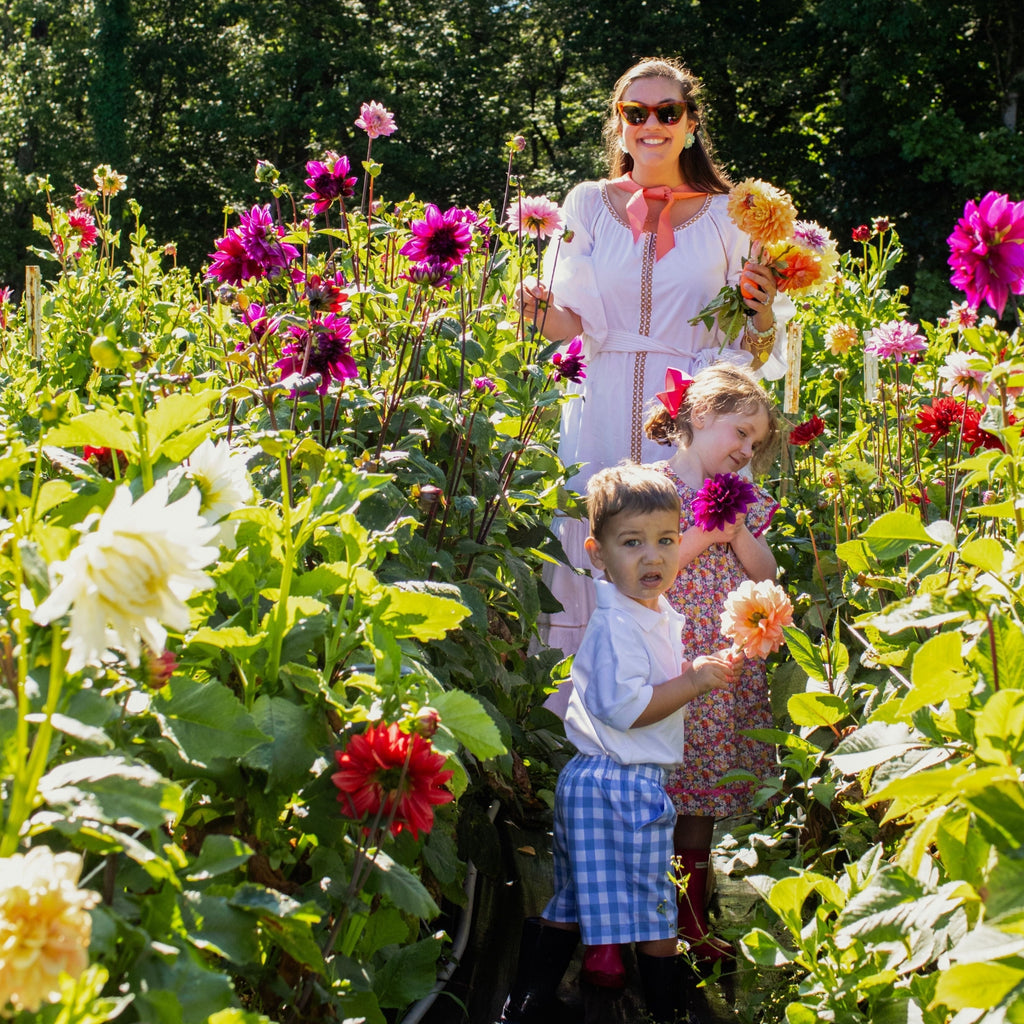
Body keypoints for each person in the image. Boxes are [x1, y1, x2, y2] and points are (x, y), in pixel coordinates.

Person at [517, 56, 792, 670]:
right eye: (634, 112)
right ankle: (582, 725)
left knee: (686, 555)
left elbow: (752, 345)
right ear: (618, 124)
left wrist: (764, 312)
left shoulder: (732, 215)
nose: (652, 124)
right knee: (593, 548)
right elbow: (569, 323)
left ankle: (687, 726)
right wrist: (533, 311)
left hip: (695, 417)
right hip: (602, 404)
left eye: (667, 112)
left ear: (690, 123)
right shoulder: (586, 203)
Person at [498, 464, 742, 1024]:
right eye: (632, 543)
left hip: (604, 782)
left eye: (665, 541)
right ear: (598, 553)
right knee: (656, 906)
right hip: (619, 783)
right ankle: (667, 1008)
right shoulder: (616, 625)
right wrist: (692, 681)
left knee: (578, 898)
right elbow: (627, 709)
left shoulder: (647, 615)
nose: (652, 557)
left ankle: (527, 1002)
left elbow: (643, 684)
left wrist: (691, 669)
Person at [645, 361, 780, 965]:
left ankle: (691, 918)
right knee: (655, 791)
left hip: (719, 667)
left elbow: (767, 573)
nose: (746, 449)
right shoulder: (652, 490)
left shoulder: (747, 499)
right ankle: (641, 915)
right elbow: (652, 570)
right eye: (740, 433)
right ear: (701, 416)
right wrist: (709, 529)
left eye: (755, 442)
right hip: (669, 659)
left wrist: (740, 532)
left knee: (700, 800)